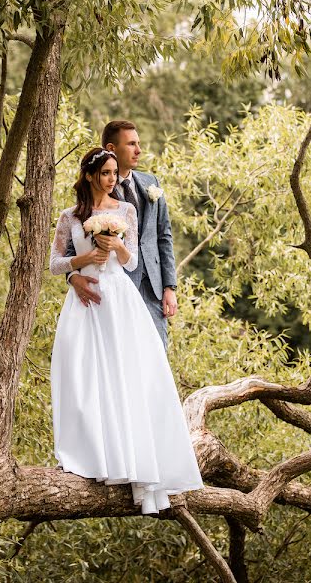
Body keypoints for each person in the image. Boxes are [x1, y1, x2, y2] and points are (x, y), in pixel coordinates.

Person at [48, 147, 203, 515]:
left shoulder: (127, 211)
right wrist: (82, 262)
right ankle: (93, 456)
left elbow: (132, 260)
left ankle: (135, 458)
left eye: (114, 172)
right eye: (104, 173)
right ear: (89, 176)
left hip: (119, 299)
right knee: (83, 375)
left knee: (126, 377)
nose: (112, 179)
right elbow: (54, 263)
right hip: (85, 301)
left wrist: (115, 244)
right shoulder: (70, 216)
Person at [65, 120, 177, 349]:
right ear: (112, 148)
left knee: (156, 354)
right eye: (132, 144)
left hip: (153, 289)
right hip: (116, 288)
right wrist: (73, 278)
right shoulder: (98, 189)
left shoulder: (151, 182)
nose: (139, 150)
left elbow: (163, 236)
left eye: (139, 143)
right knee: (123, 356)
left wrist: (169, 287)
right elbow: (72, 245)